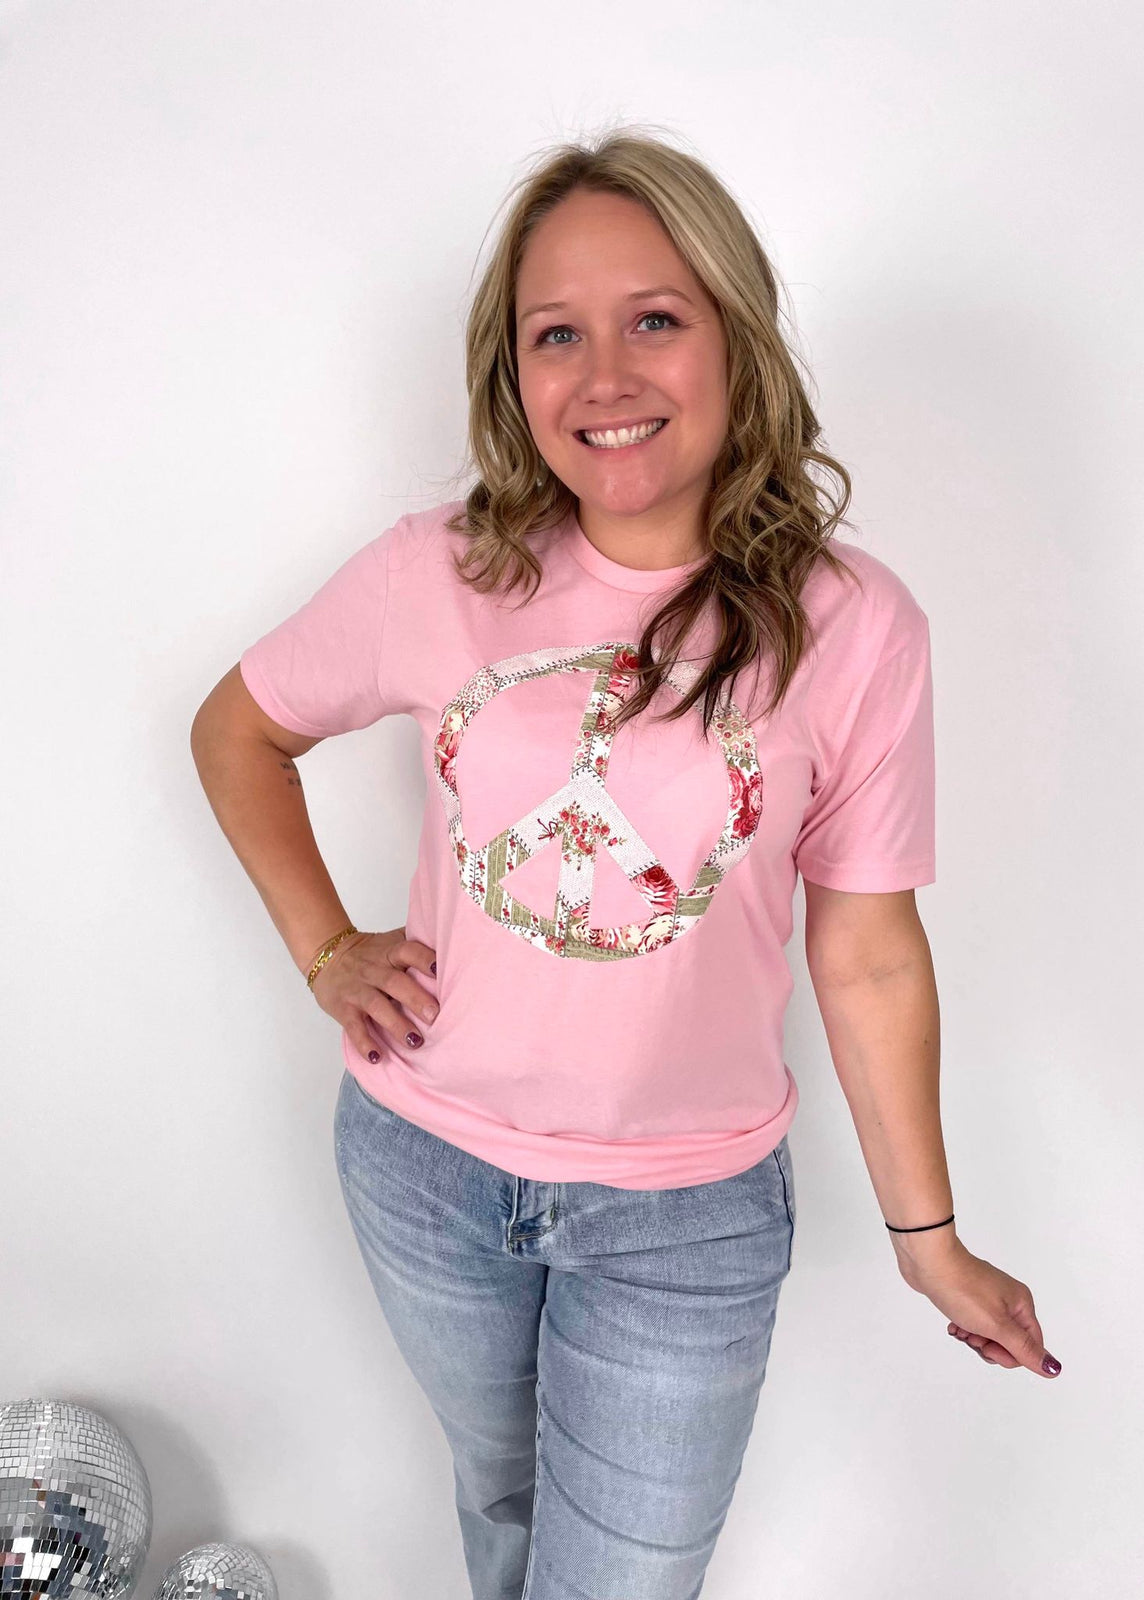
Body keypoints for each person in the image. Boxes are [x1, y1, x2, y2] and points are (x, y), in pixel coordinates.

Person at [191, 126, 1061, 1600]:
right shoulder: (436, 570)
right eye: (558, 334)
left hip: (685, 1223)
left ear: (735, 337)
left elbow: (865, 952)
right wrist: (328, 950)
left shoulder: (852, 627)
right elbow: (238, 732)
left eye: (654, 318)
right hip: (425, 1169)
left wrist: (930, 1239)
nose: (605, 376)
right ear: (513, 373)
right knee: (504, 1509)